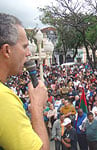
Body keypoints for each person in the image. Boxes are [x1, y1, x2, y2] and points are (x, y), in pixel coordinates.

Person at [0, 13, 49, 150]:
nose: (28, 53)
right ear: (7, 50)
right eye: (24, 46)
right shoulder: (3, 99)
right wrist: (37, 107)